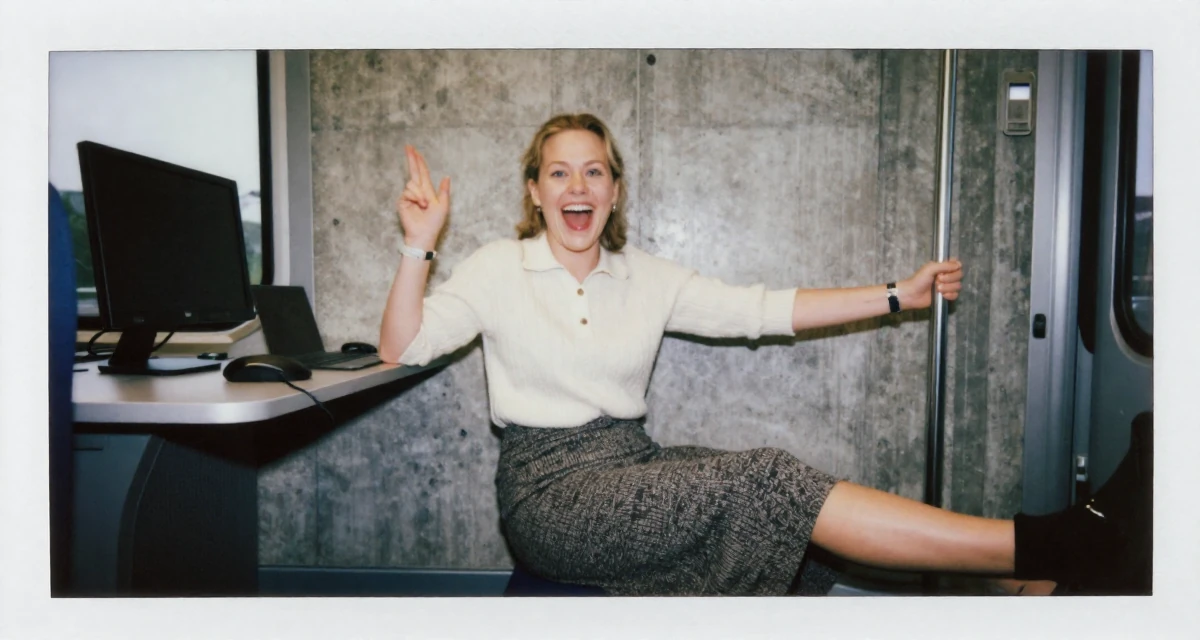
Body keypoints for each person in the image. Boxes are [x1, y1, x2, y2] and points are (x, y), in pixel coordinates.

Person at [379, 113, 1146, 596]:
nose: (577, 185)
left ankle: (1022, 582)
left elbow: (765, 310)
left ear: (613, 190)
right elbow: (402, 345)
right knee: (769, 482)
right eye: (559, 172)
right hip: (547, 494)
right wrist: (419, 245)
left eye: (595, 170)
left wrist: (898, 295)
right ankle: (1050, 545)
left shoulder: (646, 276)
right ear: (535, 191)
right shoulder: (497, 267)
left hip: (630, 461)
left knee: (798, 517)